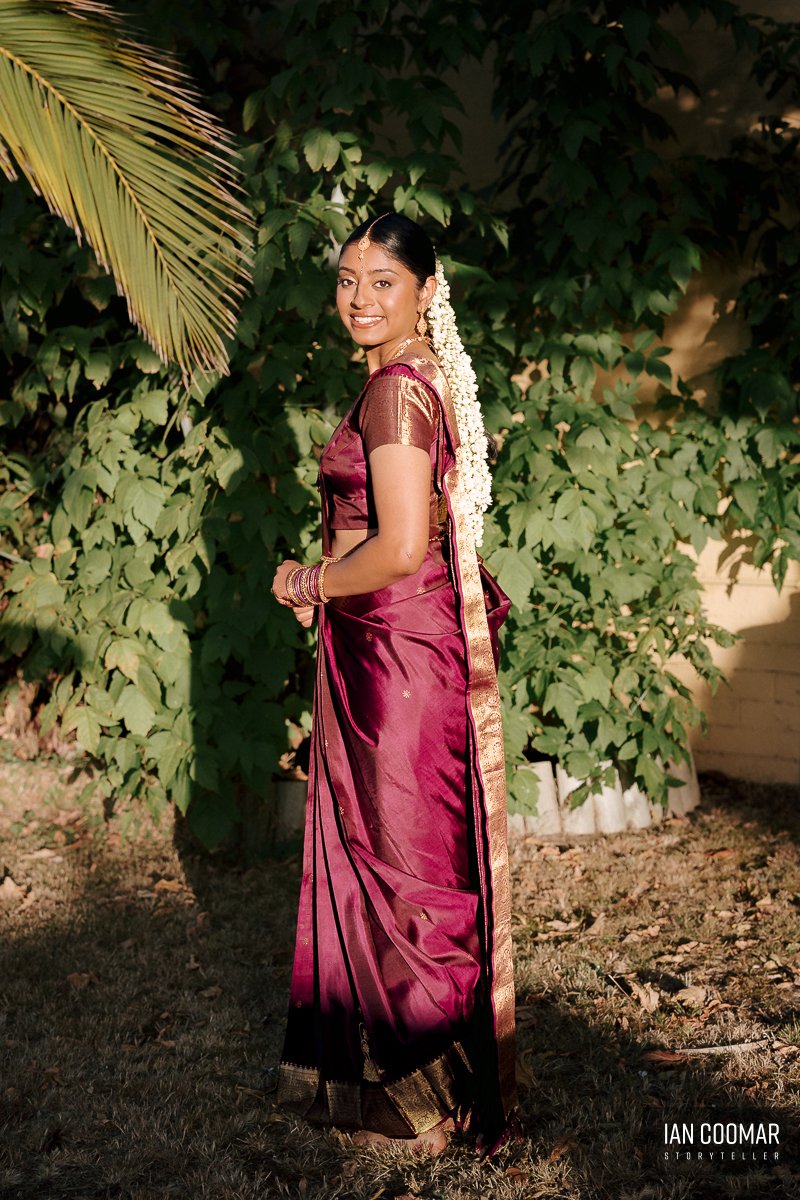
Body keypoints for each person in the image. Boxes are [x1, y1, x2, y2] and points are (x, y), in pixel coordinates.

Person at [270, 212, 517, 1154]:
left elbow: (404, 546)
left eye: (383, 281)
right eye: (347, 280)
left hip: (395, 653)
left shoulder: (396, 397)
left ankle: (430, 1095)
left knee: (405, 858)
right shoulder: (408, 383)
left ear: (426, 290)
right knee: (398, 846)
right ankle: (421, 1080)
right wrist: (334, 584)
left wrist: (310, 581)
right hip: (388, 641)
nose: (360, 298)